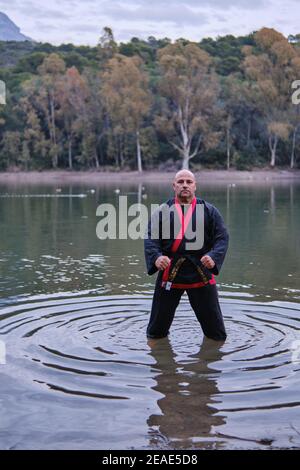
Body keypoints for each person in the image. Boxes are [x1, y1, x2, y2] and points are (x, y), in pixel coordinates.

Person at [144, 170, 229, 341]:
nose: (185, 185)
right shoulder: (162, 211)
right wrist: (156, 257)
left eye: (189, 182)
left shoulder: (209, 211)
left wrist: (213, 256)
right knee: (155, 332)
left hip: (201, 271)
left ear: (195, 186)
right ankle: (161, 364)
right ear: (173, 186)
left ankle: (210, 362)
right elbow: (151, 239)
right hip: (170, 271)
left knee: (217, 334)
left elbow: (222, 238)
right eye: (181, 181)